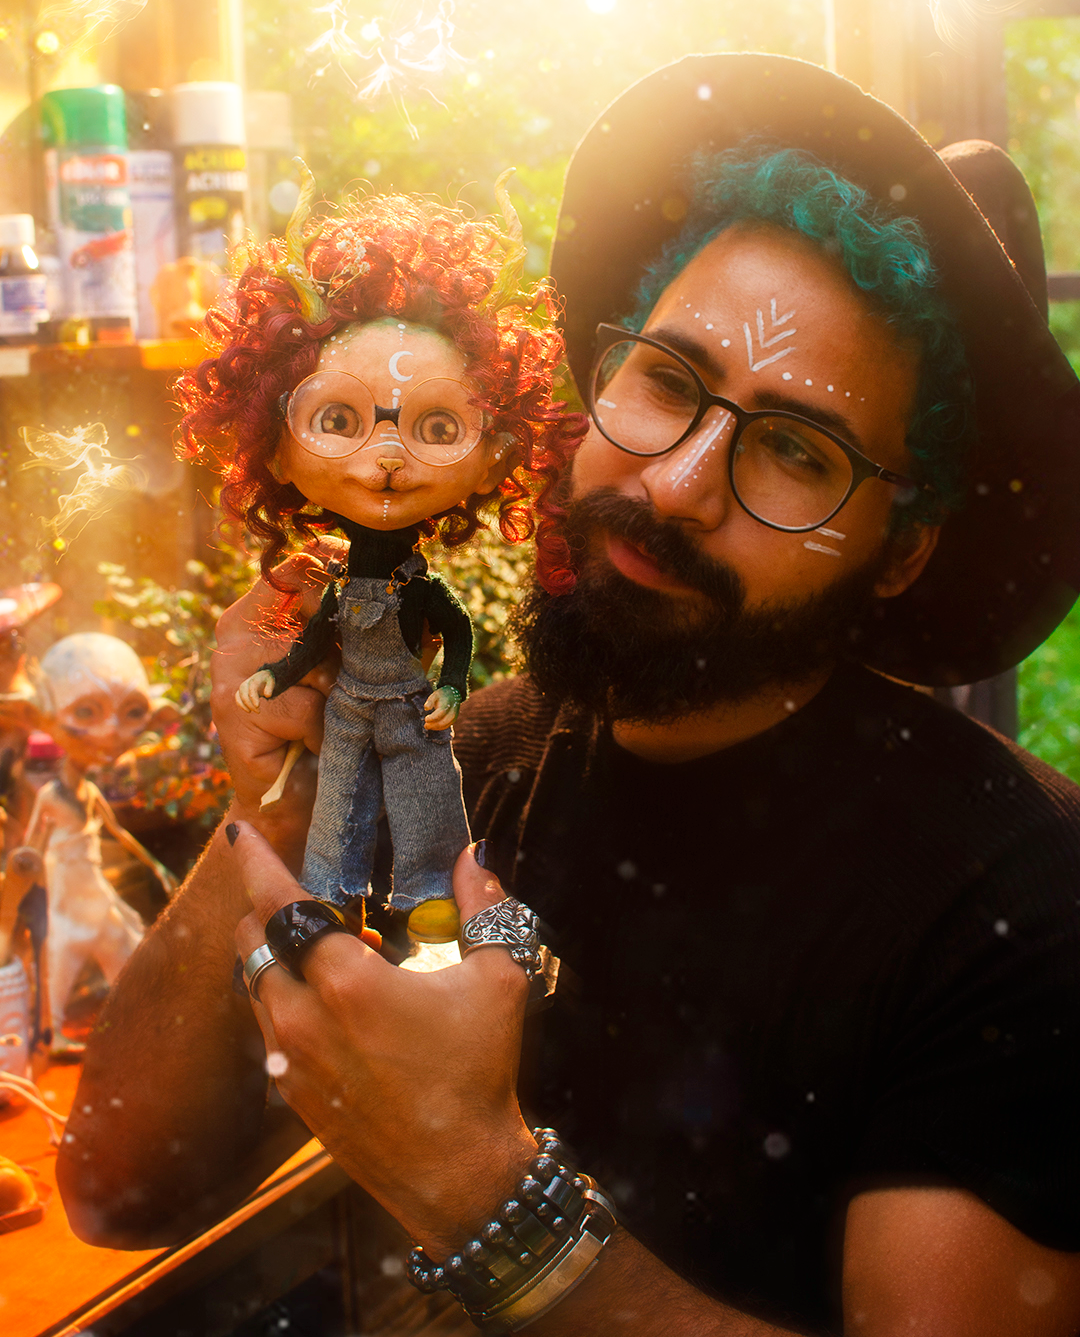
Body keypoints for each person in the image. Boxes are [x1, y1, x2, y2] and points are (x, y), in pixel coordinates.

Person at [57, 54, 1080, 1336]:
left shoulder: (1017, 905)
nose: (677, 485)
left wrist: (480, 1186)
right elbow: (122, 1187)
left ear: (902, 548)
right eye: (668, 380)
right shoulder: (473, 764)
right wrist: (277, 799)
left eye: (795, 448)